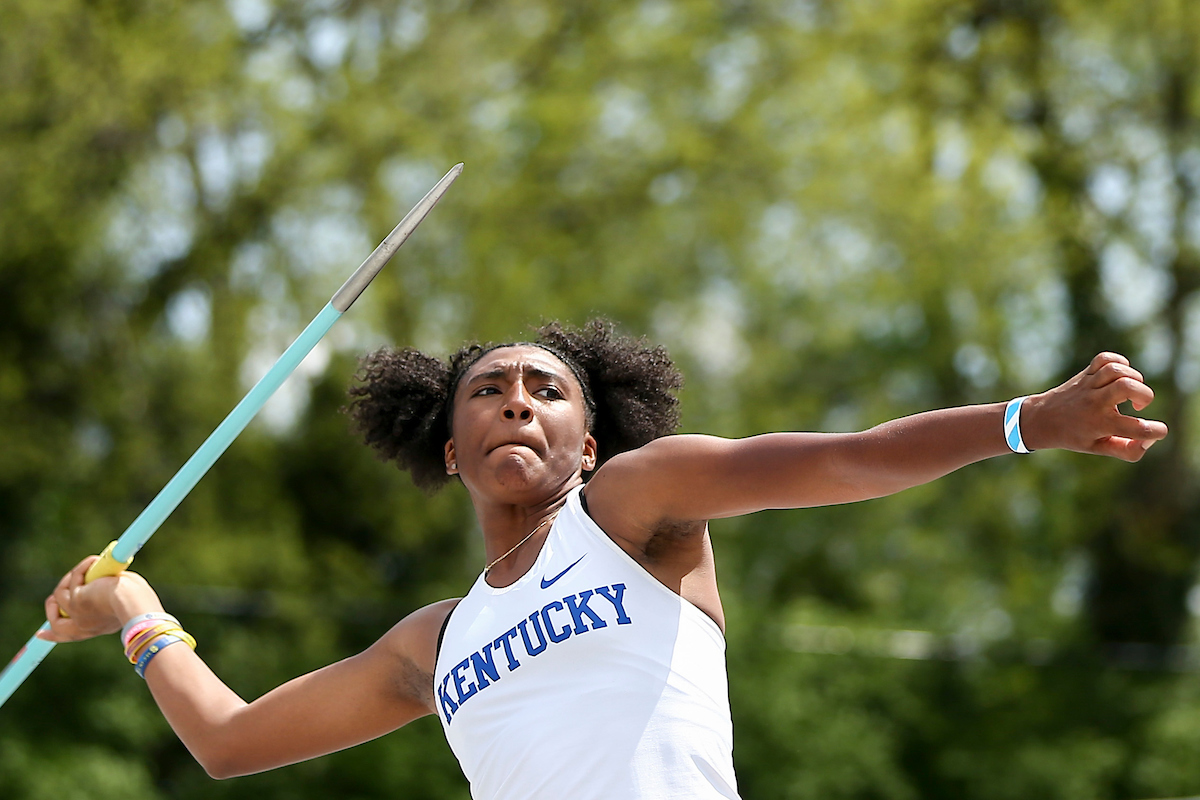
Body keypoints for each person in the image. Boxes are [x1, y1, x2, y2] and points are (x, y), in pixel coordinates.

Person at [38, 319, 1167, 799]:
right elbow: (232, 741)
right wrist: (137, 611)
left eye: (547, 390)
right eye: (489, 389)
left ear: (591, 440)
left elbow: (850, 461)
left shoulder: (634, 505)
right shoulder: (435, 640)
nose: (516, 402)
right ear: (451, 446)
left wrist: (1026, 421)